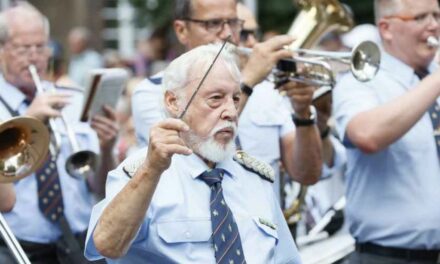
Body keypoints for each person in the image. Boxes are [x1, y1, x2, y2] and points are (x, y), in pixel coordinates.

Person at [84, 43, 301, 263]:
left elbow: (287, 259)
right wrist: (151, 170)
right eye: (216, 98)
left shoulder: (256, 178)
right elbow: (106, 244)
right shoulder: (144, 173)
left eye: (235, 99)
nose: (230, 112)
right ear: (173, 102)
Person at [131, 0, 323, 200]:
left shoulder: (268, 89)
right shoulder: (154, 91)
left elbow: (307, 174)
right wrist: (247, 81)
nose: (227, 34)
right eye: (213, 23)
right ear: (181, 30)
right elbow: (183, 154)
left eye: (232, 23)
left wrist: (303, 113)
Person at [0, 3, 118, 263]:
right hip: (16, 248)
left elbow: (100, 187)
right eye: (23, 48)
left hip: (80, 243)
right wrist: (29, 121)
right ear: (1, 51)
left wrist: (107, 148)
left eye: (41, 46)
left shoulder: (74, 99)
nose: (34, 57)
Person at [333, 0, 440, 263]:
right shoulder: (360, 82)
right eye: (420, 18)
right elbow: (368, 136)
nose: (434, 25)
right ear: (387, 29)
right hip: (387, 256)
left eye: (437, 15)